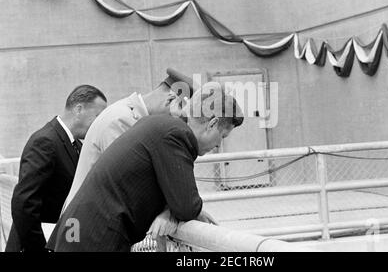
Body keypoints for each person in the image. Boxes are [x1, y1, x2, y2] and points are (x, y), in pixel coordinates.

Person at [48, 85, 243, 251]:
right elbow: (186, 205)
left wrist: (175, 210)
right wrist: (191, 210)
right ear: (212, 124)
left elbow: (176, 195)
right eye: (222, 136)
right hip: (93, 239)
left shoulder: (162, 125)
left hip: (81, 233)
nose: (218, 145)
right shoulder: (177, 135)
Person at [6, 85, 107, 252]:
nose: (98, 124)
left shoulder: (75, 145)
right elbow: (24, 203)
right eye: (97, 116)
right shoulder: (45, 142)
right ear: (79, 109)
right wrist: (40, 248)